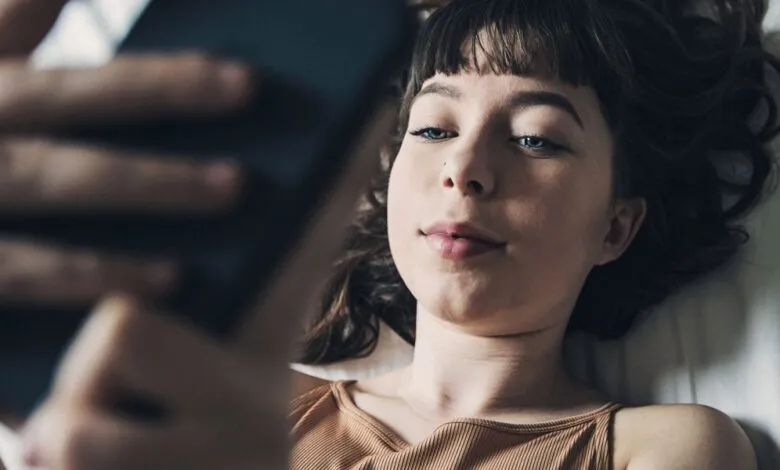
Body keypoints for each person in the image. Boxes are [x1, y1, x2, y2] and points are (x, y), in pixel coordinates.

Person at [2, 0, 777, 469]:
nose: (464, 170)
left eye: (535, 138)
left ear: (616, 225)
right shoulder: (238, 394)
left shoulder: (661, 449)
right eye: (434, 128)